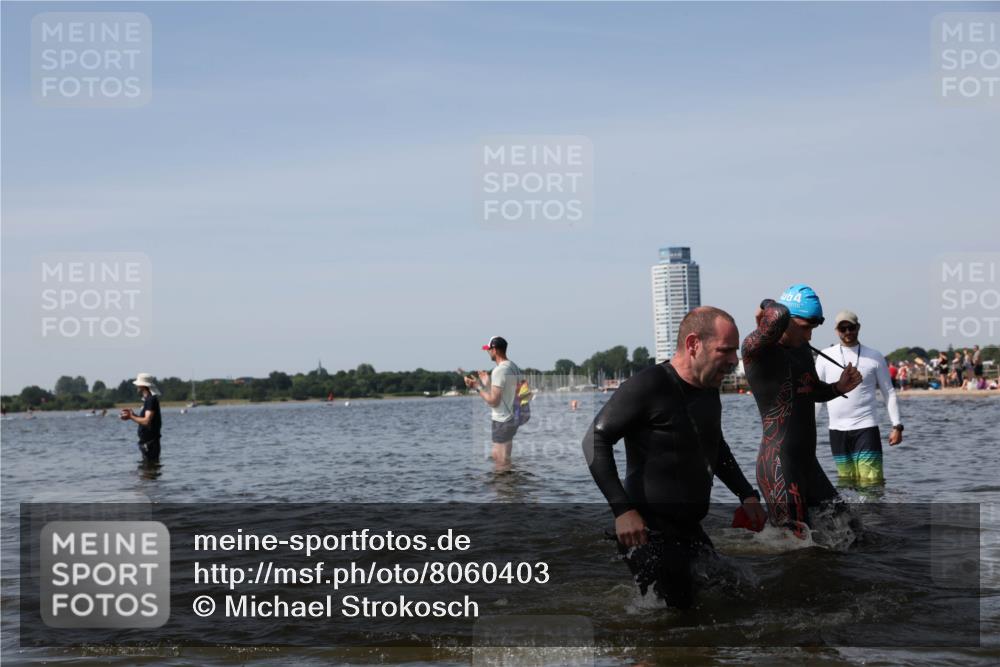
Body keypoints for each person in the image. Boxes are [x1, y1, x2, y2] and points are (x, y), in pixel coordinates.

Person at [583, 306, 767, 609]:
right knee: (679, 620)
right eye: (726, 350)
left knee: (741, 594)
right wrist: (623, 511)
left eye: (735, 351)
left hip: (689, 529)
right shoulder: (650, 385)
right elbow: (594, 440)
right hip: (648, 533)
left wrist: (746, 494)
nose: (735, 360)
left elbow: (713, 445)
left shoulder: (708, 387)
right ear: (694, 344)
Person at [742, 285, 862, 536]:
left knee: (852, 531)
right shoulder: (757, 350)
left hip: (808, 464)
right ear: (786, 321)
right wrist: (767, 303)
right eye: (805, 327)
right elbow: (775, 315)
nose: (809, 336)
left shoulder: (802, 349)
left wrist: (838, 387)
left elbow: (810, 389)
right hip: (778, 465)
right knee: (795, 548)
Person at [814, 311, 904, 486]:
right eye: (843, 328)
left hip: (866, 428)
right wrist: (809, 429)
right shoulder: (824, 357)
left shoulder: (875, 356)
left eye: (851, 327)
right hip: (836, 431)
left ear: (858, 327)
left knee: (871, 483)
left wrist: (897, 426)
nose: (847, 332)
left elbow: (889, 392)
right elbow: (816, 396)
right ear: (836, 330)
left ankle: (872, 514)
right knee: (846, 484)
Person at [464, 336, 522, 467]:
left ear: (494, 350)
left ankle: (504, 486)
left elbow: (494, 401)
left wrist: (476, 387)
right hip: (512, 418)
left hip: (503, 420)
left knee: (500, 460)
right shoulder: (513, 366)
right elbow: (507, 394)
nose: (488, 352)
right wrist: (487, 384)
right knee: (500, 457)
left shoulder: (499, 370)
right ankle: (508, 484)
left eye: (489, 349)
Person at [120, 372, 162, 463]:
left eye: (138, 385)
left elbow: (146, 421)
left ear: (143, 386)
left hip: (150, 444)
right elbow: (145, 420)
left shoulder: (151, 400)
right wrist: (133, 415)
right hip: (148, 443)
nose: (137, 386)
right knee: (147, 472)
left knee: (148, 473)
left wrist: (131, 416)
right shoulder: (148, 400)